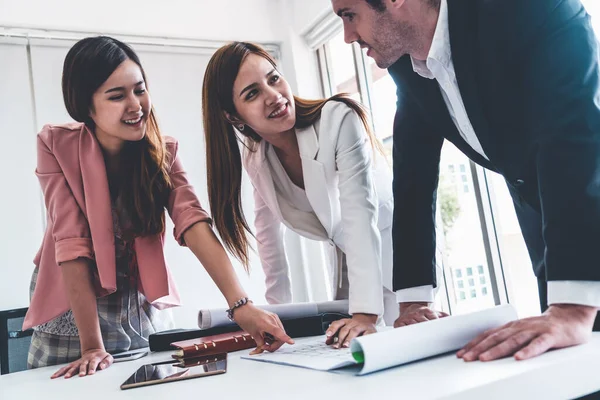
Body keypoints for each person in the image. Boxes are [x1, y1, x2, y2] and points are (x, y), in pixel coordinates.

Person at [331, 0, 600, 361]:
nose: (348, 36)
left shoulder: (525, 9)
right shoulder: (408, 69)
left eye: (350, 15)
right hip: (552, 228)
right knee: (570, 366)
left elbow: (574, 132)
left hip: (585, 197)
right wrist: (413, 302)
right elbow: (412, 176)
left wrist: (572, 307)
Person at [23, 36, 292, 378]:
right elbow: (71, 241)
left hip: (136, 304)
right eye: (117, 96)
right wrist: (92, 345)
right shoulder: (55, 145)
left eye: (139, 89)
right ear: (85, 106)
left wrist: (241, 305)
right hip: (75, 305)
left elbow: (193, 222)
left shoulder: (162, 151)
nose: (135, 105)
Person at [202, 41, 397, 348]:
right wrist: (275, 320)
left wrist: (365, 315)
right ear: (233, 117)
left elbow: (359, 213)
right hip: (350, 265)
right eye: (252, 93)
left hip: (397, 256)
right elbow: (269, 242)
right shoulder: (257, 161)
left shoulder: (338, 119)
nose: (274, 96)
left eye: (274, 78)